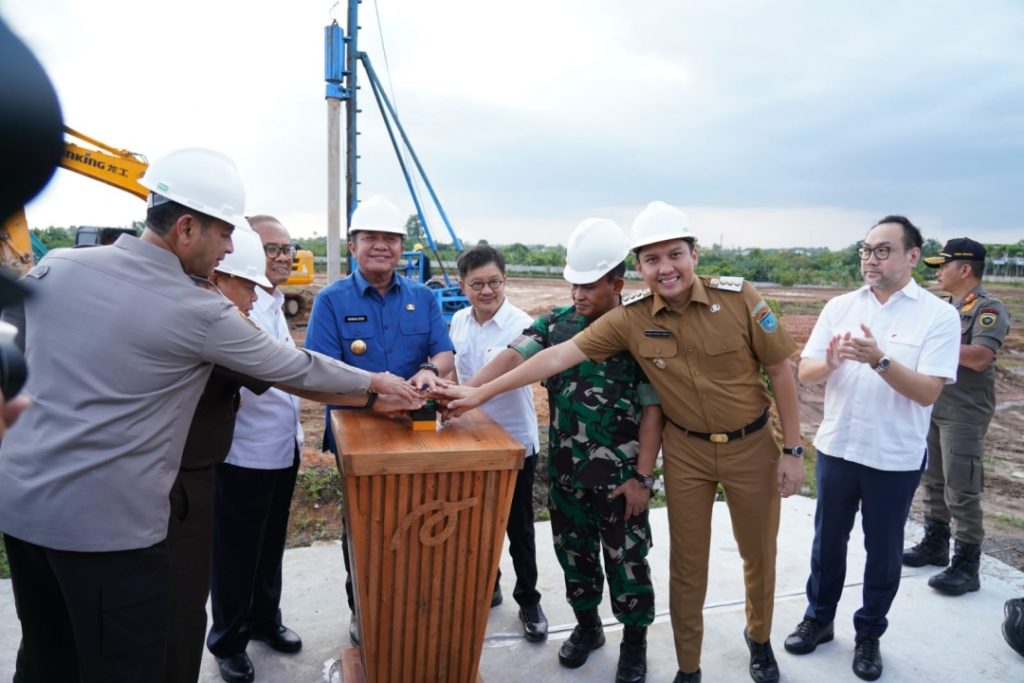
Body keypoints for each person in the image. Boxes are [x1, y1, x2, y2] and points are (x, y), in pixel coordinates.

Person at [0, 148, 419, 683]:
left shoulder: (58, 264)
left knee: (45, 659)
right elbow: (296, 368)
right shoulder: (195, 308)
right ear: (187, 227)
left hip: (23, 514)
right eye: (224, 235)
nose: (228, 249)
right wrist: (375, 384)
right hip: (109, 533)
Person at [440, 201, 805, 683]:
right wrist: (477, 392)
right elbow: (541, 356)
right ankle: (650, 652)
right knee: (639, 560)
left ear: (692, 254)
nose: (665, 268)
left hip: (708, 454)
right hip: (632, 461)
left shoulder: (713, 305)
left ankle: (739, 640)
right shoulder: (600, 321)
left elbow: (774, 371)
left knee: (728, 556)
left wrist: (792, 450)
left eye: (674, 255)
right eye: (652, 259)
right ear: (639, 268)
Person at [459, 218, 662, 683]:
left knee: (627, 562)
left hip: (621, 479)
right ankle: (589, 627)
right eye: (573, 285)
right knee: (575, 556)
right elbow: (516, 354)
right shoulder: (557, 321)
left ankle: (634, 642)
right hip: (568, 473)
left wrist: (644, 478)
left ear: (617, 281)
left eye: (589, 286)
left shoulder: (639, 330)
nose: (578, 295)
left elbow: (654, 413)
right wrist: (467, 391)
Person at [783, 216, 960, 682]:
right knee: (827, 544)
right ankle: (818, 620)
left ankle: (868, 635)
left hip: (893, 458)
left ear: (912, 256)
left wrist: (879, 359)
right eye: (865, 250)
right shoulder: (840, 306)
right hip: (840, 446)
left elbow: (928, 392)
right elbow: (805, 372)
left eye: (883, 250)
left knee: (882, 553)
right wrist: (834, 361)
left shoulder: (937, 316)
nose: (870, 259)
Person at [305, 194, 455, 646]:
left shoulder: (423, 297)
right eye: (371, 237)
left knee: (419, 522)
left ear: (401, 247)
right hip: (358, 435)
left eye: (390, 238)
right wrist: (374, 399)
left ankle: (416, 606)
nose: (381, 246)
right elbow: (318, 374)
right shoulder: (331, 301)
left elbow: (444, 353)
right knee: (365, 528)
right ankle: (364, 610)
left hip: (418, 433)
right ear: (353, 245)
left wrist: (430, 372)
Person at [448, 245, 548, 642]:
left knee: (518, 528)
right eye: (477, 284)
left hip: (514, 444)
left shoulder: (521, 325)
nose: (486, 291)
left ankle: (529, 601)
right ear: (462, 286)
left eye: (493, 282)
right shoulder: (458, 320)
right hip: (471, 441)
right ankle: (488, 585)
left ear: (504, 281)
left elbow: (502, 372)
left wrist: (464, 393)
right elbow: (453, 366)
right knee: (475, 523)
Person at [901, 237, 1010, 596]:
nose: (939, 273)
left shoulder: (988, 308)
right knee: (932, 479)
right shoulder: (945, 308)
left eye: (944, 266)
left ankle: (966, 565)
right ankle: (935, 544)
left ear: (965, 269)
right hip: (935, 404)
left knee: (961, 486)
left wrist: (937, 343)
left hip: (964, 412)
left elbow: (980, 356)